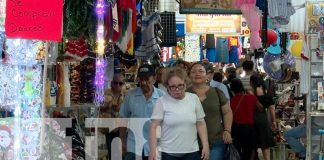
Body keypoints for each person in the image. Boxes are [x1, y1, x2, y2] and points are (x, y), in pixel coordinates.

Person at [149, 67, 209, 160]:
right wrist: (153, 150)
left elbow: (200, 123)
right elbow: (154, 127)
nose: (177, 89)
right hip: (167, 153)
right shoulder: (161, 101)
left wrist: (205, 145)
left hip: (192, 152)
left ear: (186, 83)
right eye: (172, 87)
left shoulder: (194, 99)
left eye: (180, 85)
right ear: (167, 86)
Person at [187, 62, 233, 160]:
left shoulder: (216, 92)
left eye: (201, 71)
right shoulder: (185, 94)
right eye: (193, 72)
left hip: (215, 141)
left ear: (207, 75)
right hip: (190, 143)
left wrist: (227, 130)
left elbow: (227, 112)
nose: (197, 74)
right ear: (189, 76)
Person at [119, 64, 165, 160]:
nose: (143, 82)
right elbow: (123, 118)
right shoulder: (130, 96)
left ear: (154, 79)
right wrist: (122, 141)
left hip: (155, 148)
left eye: (147, 79)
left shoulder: (162, 97)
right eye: (141, 79)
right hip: (133, 147)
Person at [230, 78, 263, 160]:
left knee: (237, 151)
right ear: (242, 87)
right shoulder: (251, 97)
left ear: (232, 90)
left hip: (236, 129)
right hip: (249, 128)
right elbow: (260, 108)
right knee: (250, 150)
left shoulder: (231, 101)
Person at [250, 74, 277, 160]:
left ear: (251, 82)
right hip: (263, 120)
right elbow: (272, 108)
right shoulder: (265, 92)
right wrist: (274, 121)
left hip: (251, 120)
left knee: (252, 146)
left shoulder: (249, 92)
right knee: (265, 145)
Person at [100, 73, 126, 160]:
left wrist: (121, 108)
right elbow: (98, 107)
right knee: (112, 152)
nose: (118, 85)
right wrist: (107, 106)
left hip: (121, 129)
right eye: (115, 83)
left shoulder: (126, 95)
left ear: (123, 84)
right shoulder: (105, 93)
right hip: (109, 128)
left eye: (120, 83)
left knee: (121, 153)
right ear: (111, 83)